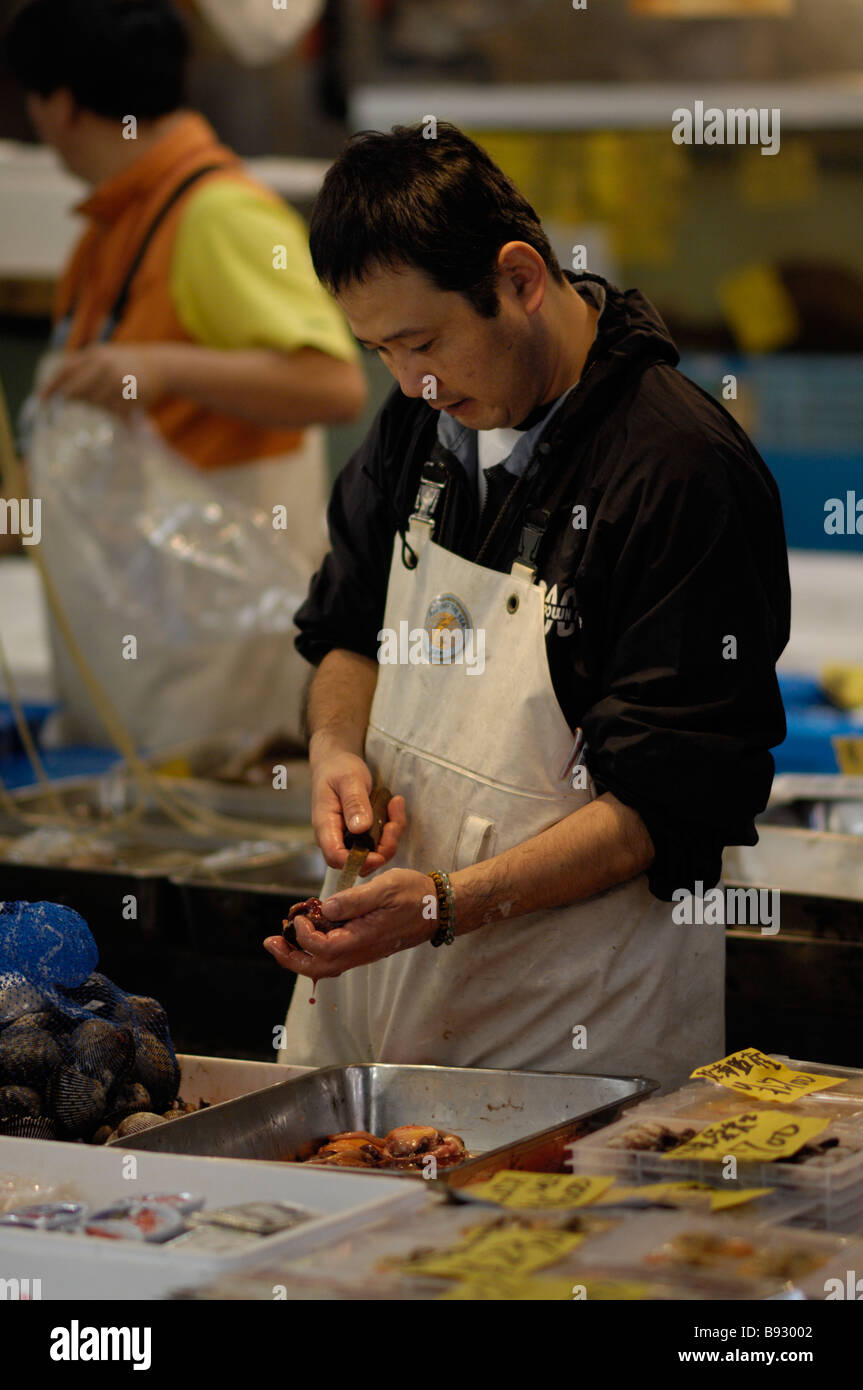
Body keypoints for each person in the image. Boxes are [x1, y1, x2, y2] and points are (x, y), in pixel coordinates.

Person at [264, 123, 791, 1090]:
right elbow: (344, 631)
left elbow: (668, 804)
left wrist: (450, 904)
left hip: (579, 1028)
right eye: (379, 350)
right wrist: (337, 753)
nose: (410, 382)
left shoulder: (678, 470)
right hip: (383, 997)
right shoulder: (419, 422)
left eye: (423, 342)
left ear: (518, 278)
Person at [5, 0, 365, 748]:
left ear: (61, 106)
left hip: (215, 668)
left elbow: (334, 385)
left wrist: (161, 367)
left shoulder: (217, 215)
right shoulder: (113, 230)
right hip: (137, 642)